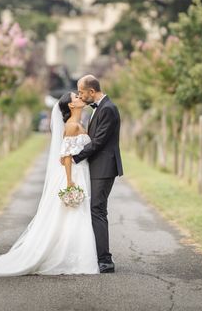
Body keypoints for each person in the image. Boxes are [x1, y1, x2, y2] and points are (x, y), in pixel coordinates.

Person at [0, 92, 99, 276]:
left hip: (81, 172)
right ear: (70, 106)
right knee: (72, 214)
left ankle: (74, 254)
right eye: (76, 97)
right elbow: (65, 157)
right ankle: (71, 258)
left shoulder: (80, 124)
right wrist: (69, 182)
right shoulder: (71, 126)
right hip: (73, 176)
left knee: (75, 214)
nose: (79, 98)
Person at [62, 74, 124, 274]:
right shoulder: (100, 109)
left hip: (104, 167)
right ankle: (98, 256)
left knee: (97, 210)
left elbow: (98, 142)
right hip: (96, 167)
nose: (80, 96)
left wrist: (75, 158)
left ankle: (105, 261)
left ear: (91, 91)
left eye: (81, 92)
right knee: (95, 210)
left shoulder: (108, 109)